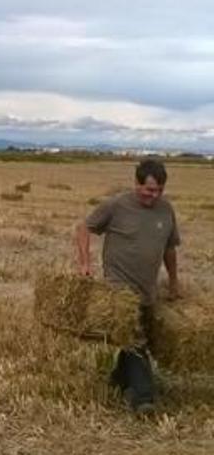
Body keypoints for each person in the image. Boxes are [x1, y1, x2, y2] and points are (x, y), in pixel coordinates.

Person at [75, 159, 180, 414]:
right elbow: (83, 227)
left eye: (159, 191)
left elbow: (169, 248)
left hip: (147, 290)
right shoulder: (116, 205)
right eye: (149, 190)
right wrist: (85, 263)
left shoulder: (166, 210)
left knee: (134, 339)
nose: (153, 196)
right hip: (119, 289)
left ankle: (118, 378)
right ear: (136, 183)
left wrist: (174, 281)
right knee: (136, 341)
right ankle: (143, 398)